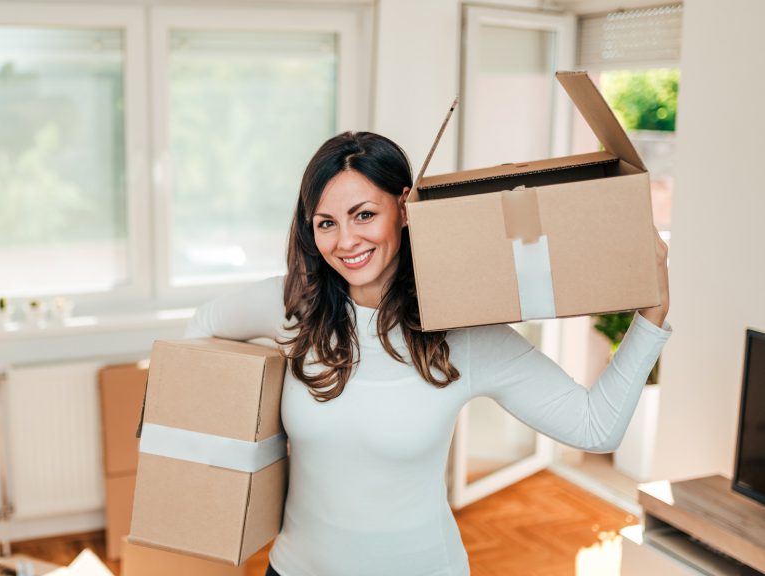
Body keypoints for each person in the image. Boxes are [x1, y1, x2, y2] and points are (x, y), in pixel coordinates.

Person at [185, 132, 672, 576]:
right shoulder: (291, 308)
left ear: (404, 206)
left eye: (364, 215)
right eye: (326, 223)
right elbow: (200, 329)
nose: (346, 241)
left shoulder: (463, 333)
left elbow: (595, 427)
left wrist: (651, 315)